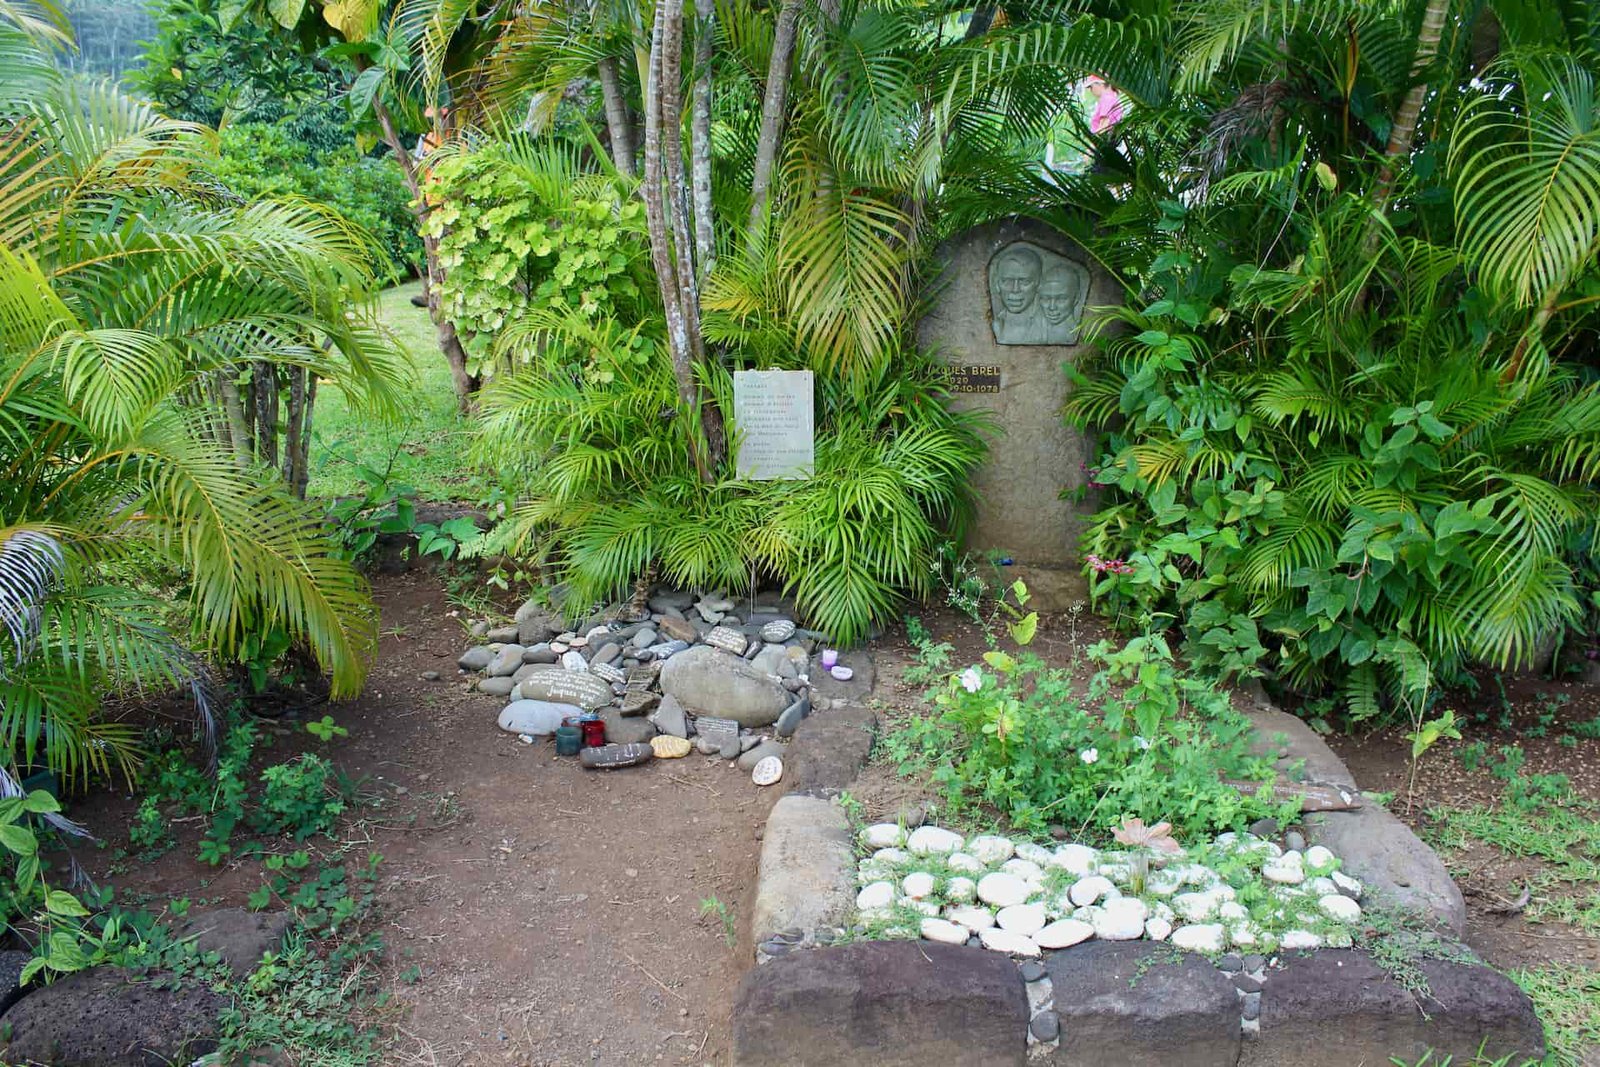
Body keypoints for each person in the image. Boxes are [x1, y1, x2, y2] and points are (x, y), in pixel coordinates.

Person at [990, 245, 1044, 344]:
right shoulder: (995, 325)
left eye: (1025, 282)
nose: (1015, 289)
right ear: (997, 283)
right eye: (1007, 281)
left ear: (1039, 283)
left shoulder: (1050, 327)